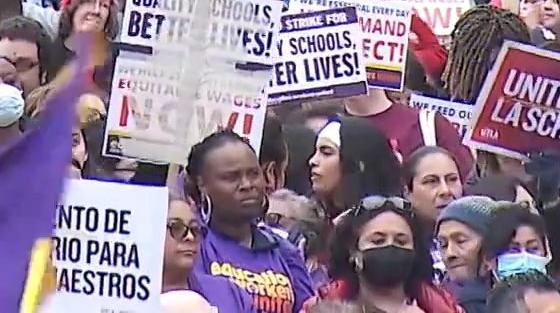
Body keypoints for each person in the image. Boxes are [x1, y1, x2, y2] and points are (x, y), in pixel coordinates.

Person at [184, 130, 314, 312]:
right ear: (201, 184)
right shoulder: (190, 245)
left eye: (253, 174)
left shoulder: (284, 252)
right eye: (231, 177)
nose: (247, 184)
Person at [318, 197, 463, 312]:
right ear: (353, 251)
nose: (390, 246)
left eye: (401, 242)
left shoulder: (444, 306)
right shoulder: (321, 305)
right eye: (378, 241)